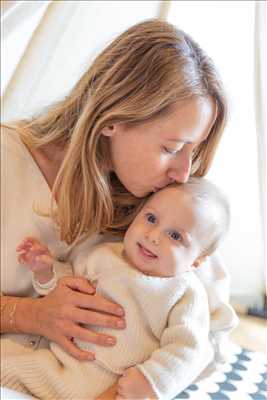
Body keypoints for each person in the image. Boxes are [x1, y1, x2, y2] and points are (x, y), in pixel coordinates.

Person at [1, 18, 237, 399]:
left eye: (194, 150)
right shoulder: (7, 162)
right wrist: (28, 315)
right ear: (114, 119)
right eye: (172, 148)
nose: (184, 172)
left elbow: (212, 340)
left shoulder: (163, 208)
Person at [2, 178, 235, 400]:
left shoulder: (185, 292)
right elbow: (68, 290)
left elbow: (188, 348)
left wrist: (152, 381)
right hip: (58, 366)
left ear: (196, 261)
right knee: (7, 369)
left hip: (112, 386)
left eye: (175, 236)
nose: (153, 236)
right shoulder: (105, 255)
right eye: (151, 218)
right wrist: (46, 270)